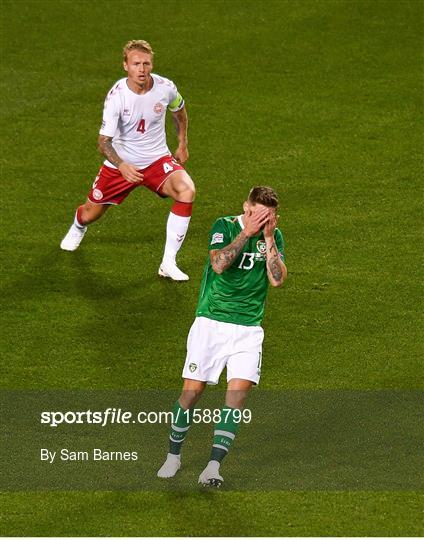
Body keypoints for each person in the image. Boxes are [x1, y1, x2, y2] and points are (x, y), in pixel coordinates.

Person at [157, 186, 287, 486]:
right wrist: (247, 234)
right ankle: (173, 456)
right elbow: (218, 264)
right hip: (211, 324)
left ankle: (213, 467)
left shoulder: (274, 236)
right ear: (246, 208)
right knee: (191, 394)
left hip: (248, 329)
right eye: (258, 214)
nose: (263, 220)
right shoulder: (224, 226)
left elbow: (277, 280)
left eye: (270, 216)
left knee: (236, 400)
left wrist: (267, 238)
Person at [60, 40, 195, 281]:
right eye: (136, 64)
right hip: (120, 164)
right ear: (125, 66)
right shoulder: (117, 97)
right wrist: (122, 165)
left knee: (186, 190)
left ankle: (168, 263)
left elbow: (179, 111)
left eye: (146, 63)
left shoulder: (165, 87)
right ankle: (79, 225)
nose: (142, 69)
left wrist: (182, 143)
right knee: (91, 213)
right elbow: (103, 142)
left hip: (157, 159)